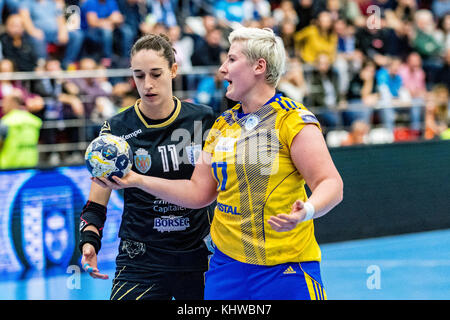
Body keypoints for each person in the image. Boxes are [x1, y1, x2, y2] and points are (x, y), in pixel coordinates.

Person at [94, 27, 344, 300]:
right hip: (227, 270)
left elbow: (331, 183)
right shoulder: (221, 126)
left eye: (232, 60)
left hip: (286, 269)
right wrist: (137, 180)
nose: (223, 69)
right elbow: (198, 193)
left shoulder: (292, 120)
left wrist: (307, 210)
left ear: (259, 66)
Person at [79, 33, 216, 300]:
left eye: (156, 74)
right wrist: (89, 240)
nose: (147, 84)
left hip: (198, 255)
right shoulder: (116, 130)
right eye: (139, 76)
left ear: (174, 70)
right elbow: (96, 202)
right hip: (140, 258)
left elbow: (213, 189)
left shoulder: (202, 119)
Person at [0, 94, 42, 169]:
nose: (3, 106)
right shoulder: (34, 120)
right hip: (31, 165)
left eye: (5, 103)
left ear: (13, 103)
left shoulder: (6, 121)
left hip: (8, 168)